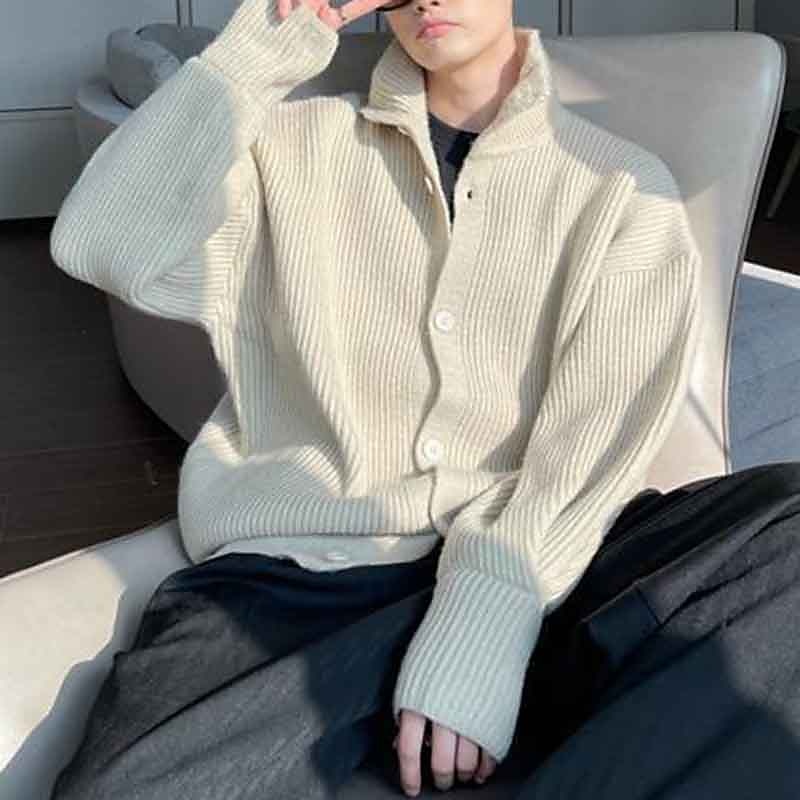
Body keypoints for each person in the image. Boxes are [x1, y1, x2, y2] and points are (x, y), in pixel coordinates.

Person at [47, 0, 800, 798]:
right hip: (307, 579)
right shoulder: (290, 147)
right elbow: (102, 244)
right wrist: (267, 40)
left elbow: (592, 440)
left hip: (546, 567)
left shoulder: (622, 188)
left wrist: (486, 618)